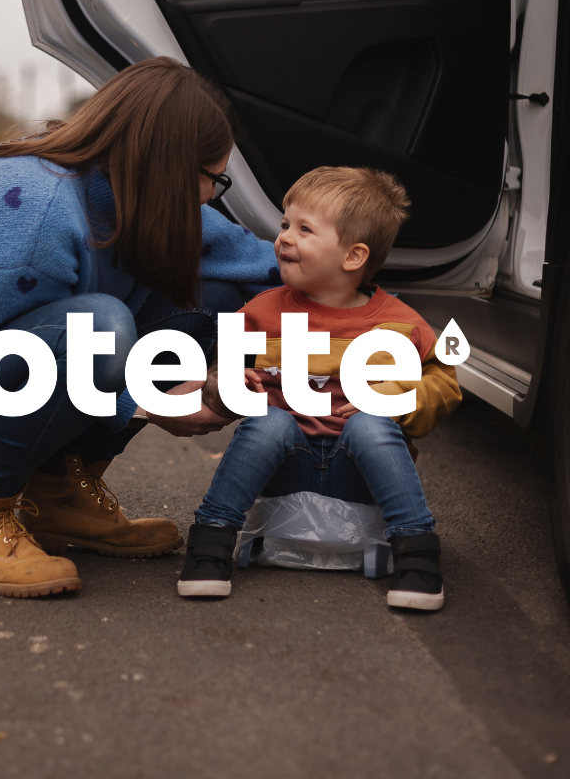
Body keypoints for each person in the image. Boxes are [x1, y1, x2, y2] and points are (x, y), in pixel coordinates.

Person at [0, 57, 279, 599]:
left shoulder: (122, 189)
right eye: (215, 180)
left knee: (214, 298)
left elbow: (265, 269)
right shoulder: (36, 218)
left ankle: (58, 492)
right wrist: (146, 402)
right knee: (98, 326)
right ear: (169, 171)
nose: (213, 196)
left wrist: (387, 327)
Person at [178, 167, 462, 611]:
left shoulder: (401, 325)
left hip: (359, 473)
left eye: (304, 229)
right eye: (285, 224)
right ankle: (210, 543)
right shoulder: (259, 311)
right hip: (287, 470)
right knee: (268, 421)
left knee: (371, 424)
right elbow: (219, 379)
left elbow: (445, 384)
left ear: (352, 256)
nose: (284, 238)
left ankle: (417, 552)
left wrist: (398, 397)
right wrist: (230, 384)